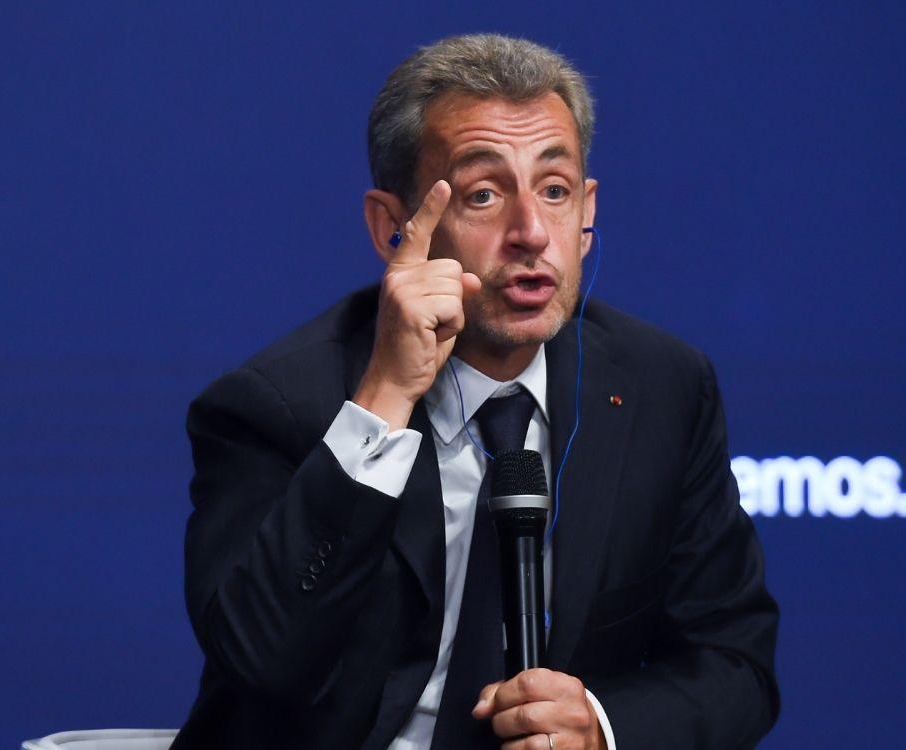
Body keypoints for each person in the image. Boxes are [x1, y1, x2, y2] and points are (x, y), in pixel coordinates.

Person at [173, 34, 779, 750]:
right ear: (394, 228)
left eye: (554, 191)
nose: (530, 233)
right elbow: (260, 661)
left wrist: (602, 728)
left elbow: (735, 662)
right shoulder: (275, 405)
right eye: (483, 194)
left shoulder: (662, 389)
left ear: (586, 215)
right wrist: (385, 398)